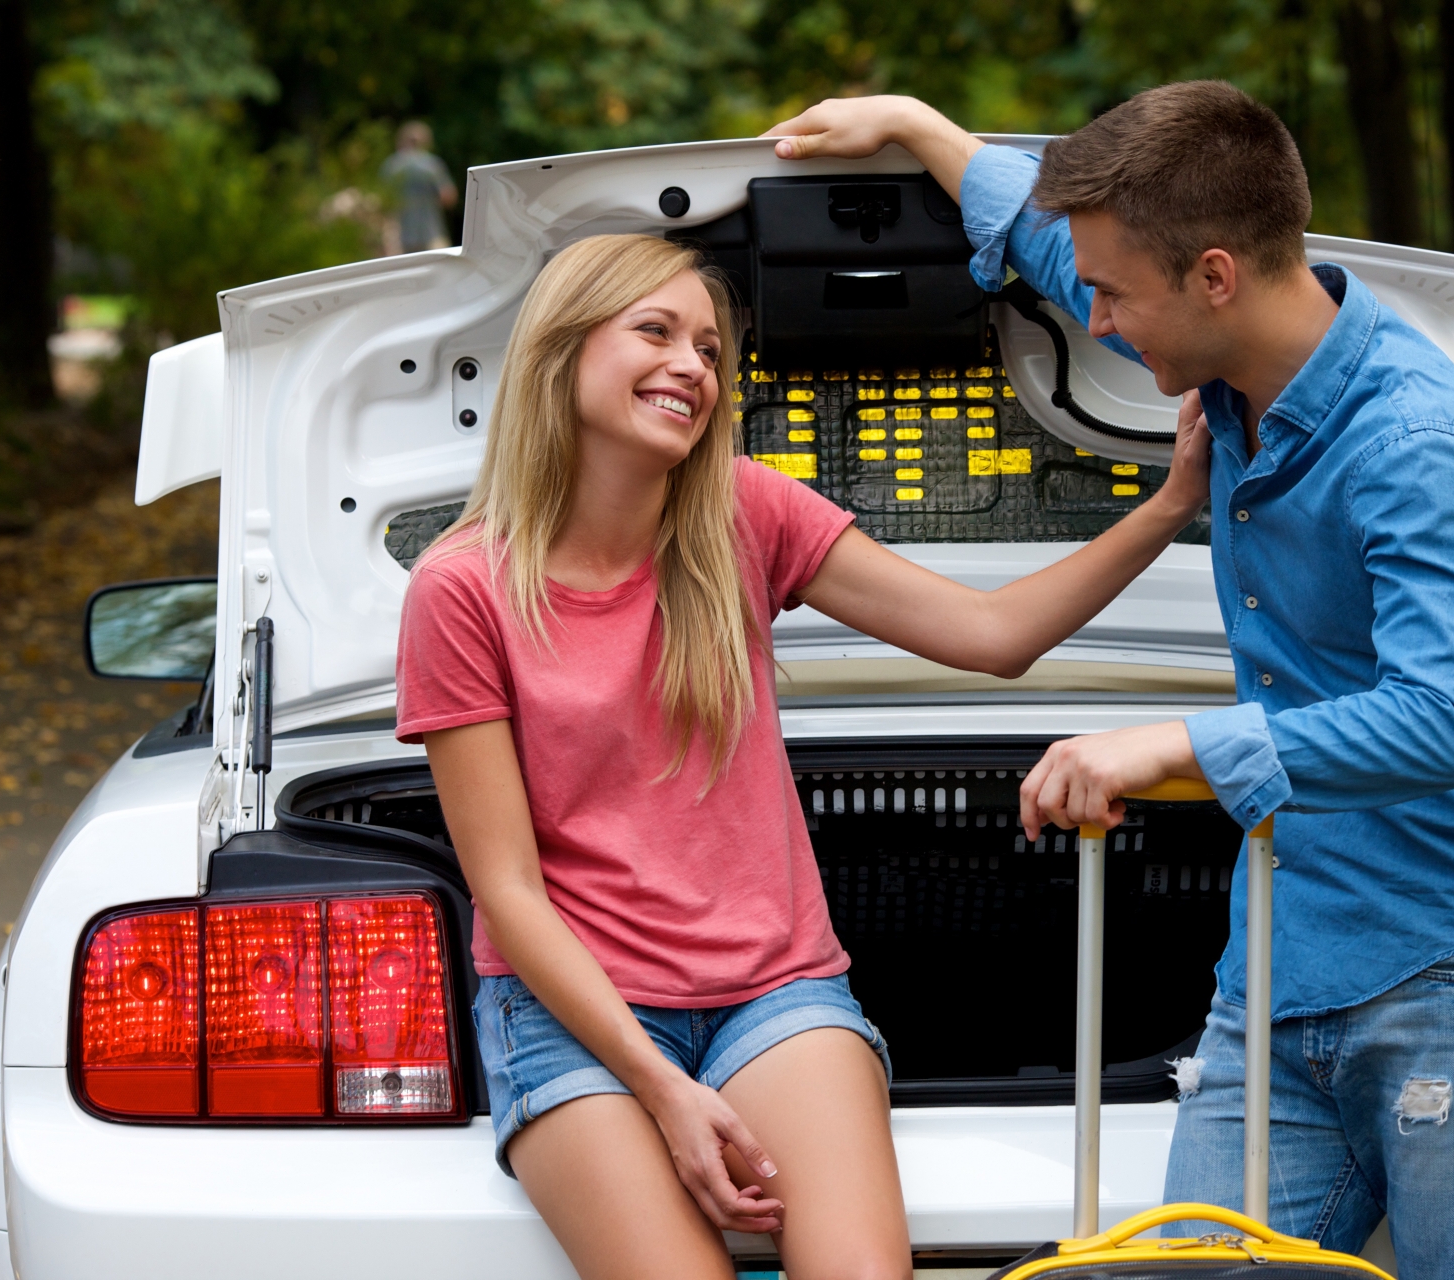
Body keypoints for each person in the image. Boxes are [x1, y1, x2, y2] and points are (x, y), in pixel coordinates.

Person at [766, 85, 1454, 1280]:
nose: (1091, 317)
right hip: (1280, 971)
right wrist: (918, 127)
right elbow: (1051, 239)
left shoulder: (1420, 439)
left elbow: (1441, 718)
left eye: (1113, 294)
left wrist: (1174, 746)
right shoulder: (1212, 338)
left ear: (1215, 276)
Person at [395, 233, 1212, 1280]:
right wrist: (665, 1091)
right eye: (656, 331)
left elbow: (993, 635)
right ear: (560, 350)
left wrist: (1171, 505)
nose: (692, 365)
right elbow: (505, 891)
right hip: (574, 1011)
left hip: (771, 989)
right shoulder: (462, 590)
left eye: (708, 348)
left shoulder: (743, 511)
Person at [380, 121, 457, 253]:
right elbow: (448, 197)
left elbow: (381, 204)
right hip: (431, 233)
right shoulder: (431, 164)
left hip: (398, 238)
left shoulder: (391, 166)